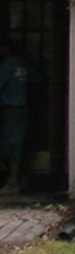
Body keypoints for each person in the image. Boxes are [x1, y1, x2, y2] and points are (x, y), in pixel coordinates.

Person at [0, 36, 28, 195]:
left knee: (9, 144)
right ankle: (15, 177)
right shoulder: (22, 63)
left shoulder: (7, 64)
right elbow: (38, 79)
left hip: (10, 109)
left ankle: (12, 179)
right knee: (17, 142)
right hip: (21, 108)